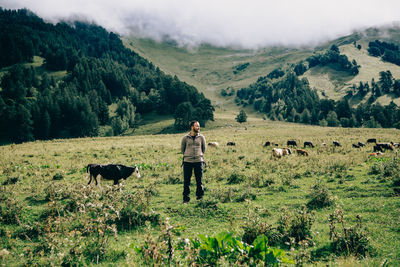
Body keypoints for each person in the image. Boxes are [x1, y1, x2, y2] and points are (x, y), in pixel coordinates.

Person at [181, 120, 206, 204]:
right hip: (187, 161)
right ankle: (186, 199)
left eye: (199, 126)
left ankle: (200, 197)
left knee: (199, 180)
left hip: (199, 161)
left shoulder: (201, 137)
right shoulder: (185, 138)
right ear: (192, 127)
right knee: (186, 181)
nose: (198, 127)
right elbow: (182, 149)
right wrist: (188, 155)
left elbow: (203, 148)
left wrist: (199, 155)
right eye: (197, 126)